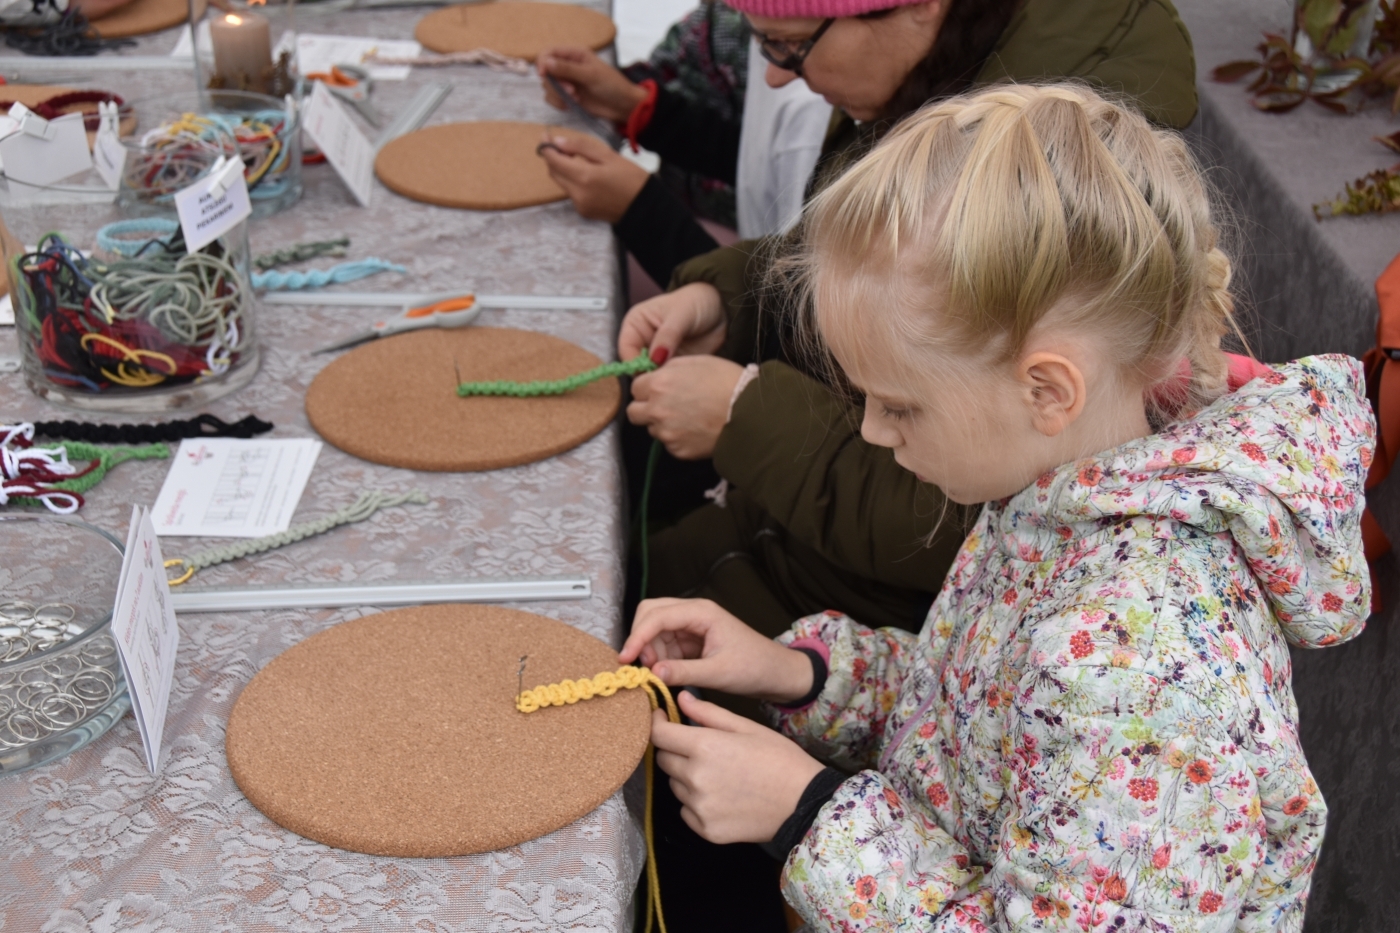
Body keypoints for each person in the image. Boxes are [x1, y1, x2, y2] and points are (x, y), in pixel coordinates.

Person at [622, 82, 1374, 931]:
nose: (871, 431)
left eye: (900, 405)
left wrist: (808, 812)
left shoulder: (1142, 671)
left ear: (1047, 389)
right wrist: (800, 672)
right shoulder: (1060, 490)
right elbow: (986, 715)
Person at [621, 0, 1200, 644]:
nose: (778, 78)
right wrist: (729, 296)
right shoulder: (934, 97)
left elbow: (940, 567)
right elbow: (946, 695)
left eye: (897, 407)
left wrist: (744, 416)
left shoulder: (1104, 652)